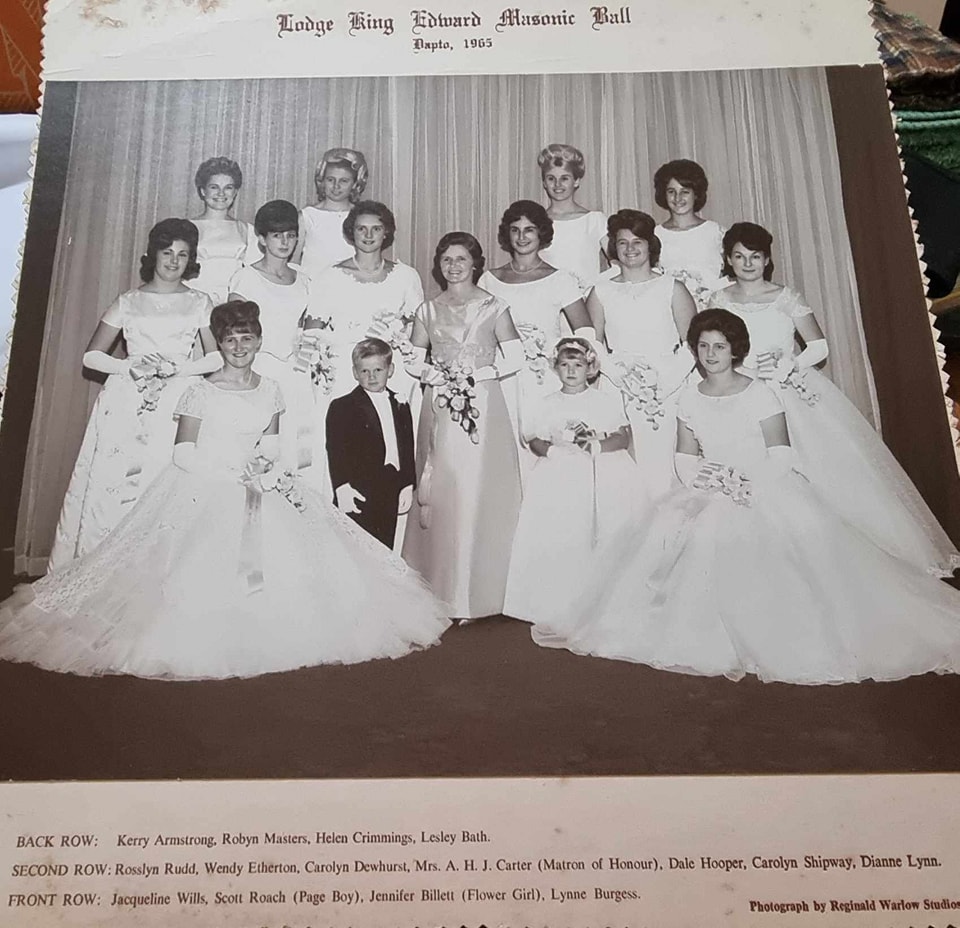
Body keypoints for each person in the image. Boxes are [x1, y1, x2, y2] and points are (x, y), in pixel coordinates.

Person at [0, 302, 450, 680]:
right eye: (231, 340)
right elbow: (183, 453)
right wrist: (234, 470)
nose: (240, 347)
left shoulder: (270, 389)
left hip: (257, 482)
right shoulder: (199, 391)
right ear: (220, 343)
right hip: (206, 484)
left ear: (258, 341)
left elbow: (271, 443)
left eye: (248, 338)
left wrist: (266, 466)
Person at [532, 310, 960, 685]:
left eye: (720, 346)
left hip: (764, 486)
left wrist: (746, 484)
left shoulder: (760, 392)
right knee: (682, 547)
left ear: (735, 350)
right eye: (703, 346)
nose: (711, 354)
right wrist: (705, 479)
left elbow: (781, 453)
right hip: (710, 486)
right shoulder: (689, 396)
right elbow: (684, 453)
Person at [708, 221, 960, 577]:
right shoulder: (719, 299)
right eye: (739, 256)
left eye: (755, 256)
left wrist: (787, 365)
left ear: (766, 260)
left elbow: (818, 346)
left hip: (787, 390)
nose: (747, 263)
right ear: (729, 260)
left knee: (818, 472)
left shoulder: (785, 297)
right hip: (741, 392)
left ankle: (841, 557)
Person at [48, 218, 218, 571]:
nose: (174, 261)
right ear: (152, 254)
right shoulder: (128, 301)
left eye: (183, 255)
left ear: (191, 260)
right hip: (126, 398)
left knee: (164, 480)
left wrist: (177, 368)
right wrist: (132, 367)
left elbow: (216, 357)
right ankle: (100, 569)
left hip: (176, 399)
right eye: (167, 252)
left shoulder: (201, 302)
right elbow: (91, 356)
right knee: (112, 484)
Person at [401, 232, 525, 620]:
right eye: (447, 260)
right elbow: (412, 359)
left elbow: (516, 356)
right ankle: (441, 590)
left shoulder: (493, 306)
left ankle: (479, 594)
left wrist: (479, 375)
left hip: (483, 408)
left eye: (461, 259)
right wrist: (433, 375)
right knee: (445, 489)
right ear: (439, 265)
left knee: (477, 490)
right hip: (439, 405)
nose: (453, 266)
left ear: (475, 263)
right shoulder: (428, 310)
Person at [503, 337, 647, 625]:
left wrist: (596, 447)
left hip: (599, 470)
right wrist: (552, 450)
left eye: (578, 365)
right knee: (560, 530)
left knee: (600, 527)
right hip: (559, 472)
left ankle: (599, 599)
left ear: (589, 367)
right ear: (556, 368)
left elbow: (622, 436)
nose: (571, 371)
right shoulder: (548, 403)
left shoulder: (604, 401)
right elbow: (535, 439)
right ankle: (554, 598)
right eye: (565, 365)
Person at [303, 201, 424, 483]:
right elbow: (312, 332)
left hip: (392, 371)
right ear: (351, 232)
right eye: (361, 229)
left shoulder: (406, 276)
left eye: (376, 229)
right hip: (346, 370)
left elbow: (420, 328)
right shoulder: (330, 276)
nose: (368, 235)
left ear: (386, 233)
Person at [477, 200, 595, 474]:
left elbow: (586, 332)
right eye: (515, 229)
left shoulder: (559, 279)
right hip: (504, 378)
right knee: (506, 450)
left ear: (541, 233)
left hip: (545, 380)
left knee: (545, 448)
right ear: (507, 234)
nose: (521, 237)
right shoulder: (489, 280)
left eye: (529, 230)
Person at [587, 209, 697, 500]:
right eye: (622, 242)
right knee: (623, 468)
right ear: (614, 248)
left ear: (650, 246)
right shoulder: (600, 290)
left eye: (637, 241)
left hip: (666, 386)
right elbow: (593, 343)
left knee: (663, 462)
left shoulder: (672, 287)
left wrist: (664, 383)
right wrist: (619, 376)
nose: (630, 248)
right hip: (618, 385)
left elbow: (693, 344)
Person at [228, 199, 314, 476]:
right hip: (260, 371)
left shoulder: (304, 278)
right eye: (277, 235)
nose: (285, 242)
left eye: (291, 235)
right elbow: (235, 333)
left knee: (296, 445)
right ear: (262, 239)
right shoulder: (246, 278)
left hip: (298, 372)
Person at [325, 338, 416, 549]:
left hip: (390, 489)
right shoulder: (342, 406)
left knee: (383, 550)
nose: (372, 376)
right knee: (355, 553)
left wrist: (408, 483)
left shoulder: (400, 403)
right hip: (358, 492)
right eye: (364, 371)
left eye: (378, 369)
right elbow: (335, 450)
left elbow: (407, 446)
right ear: (355, 373)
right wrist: (341, 487)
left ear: (390, 369)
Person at [186, 157, 261, 304]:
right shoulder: (185, 228)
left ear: (235, 192)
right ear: (202, 191)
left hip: (233, 309)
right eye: (214, 187)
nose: (221, 193)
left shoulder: (247, 231)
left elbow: (257, 276)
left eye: (228, 187)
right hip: (194, 304)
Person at [653, 159, 726, 307]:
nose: (677, 198)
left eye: (685, 192)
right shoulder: (654, 235)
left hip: (711, 316)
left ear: (696, 194)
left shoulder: (716, 233)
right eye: (671, 192)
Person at [536, 143, 608, 292]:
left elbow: (617, 264)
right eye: (551, 178)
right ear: (544, 182)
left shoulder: (595, 220)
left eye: (564, 178)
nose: (557, 185)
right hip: (548, 301)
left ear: (576, 181)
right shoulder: (536, 221)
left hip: (586, 302)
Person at [296, 147, 368, 282]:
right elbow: (294, 263)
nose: (336, 186)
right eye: (330, 179)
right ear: (322, 181)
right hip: (314, 289)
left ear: (355, 183)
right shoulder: (307, 216)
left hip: (352, 287)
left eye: (344, 181)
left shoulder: (362, 216)